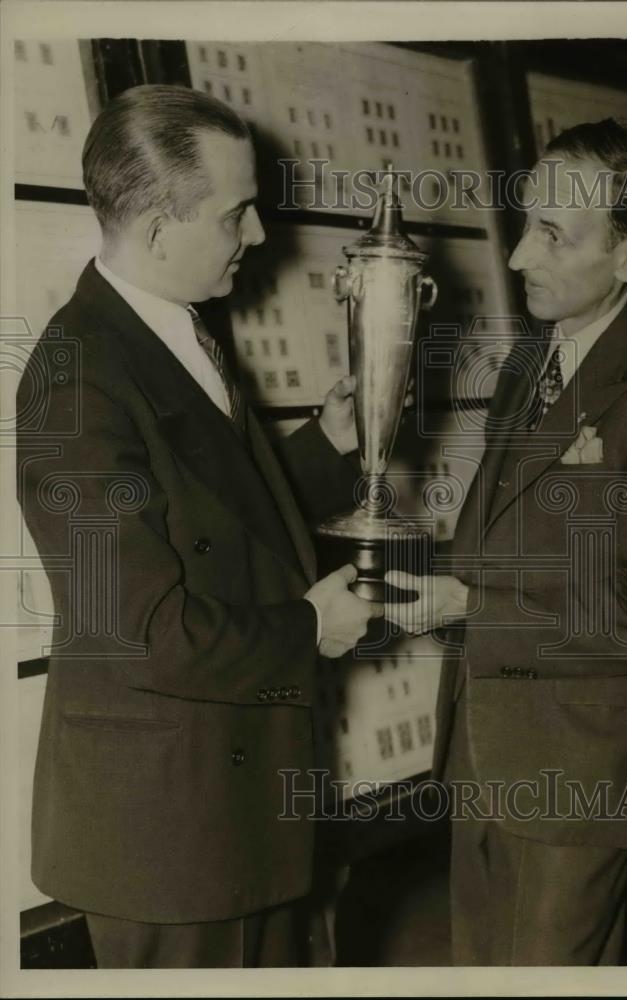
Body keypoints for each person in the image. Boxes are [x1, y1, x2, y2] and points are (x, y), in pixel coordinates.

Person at [16, 84, 381, 969]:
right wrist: (310, 628)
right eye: (235, 214)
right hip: (168, 839)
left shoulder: (171, 331)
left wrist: (328, 445)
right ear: (157, 231)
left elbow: (208, 514)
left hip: (233, 805)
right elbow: (141, 633)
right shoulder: (77, 379)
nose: (257, 234)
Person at [385, 119, 627, 965]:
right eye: (525, 223)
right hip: (480, 755)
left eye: (553, 234)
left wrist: (471, 605)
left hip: (576, 777)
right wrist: (414, 569)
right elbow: (501, 544)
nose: (519, 255)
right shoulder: (530, 363)